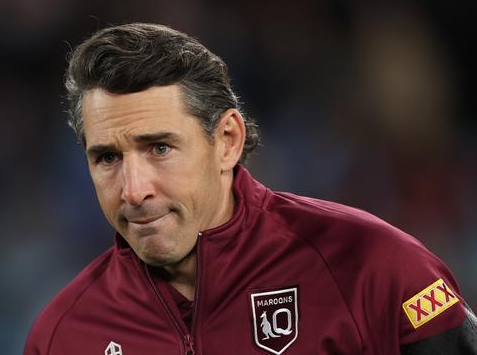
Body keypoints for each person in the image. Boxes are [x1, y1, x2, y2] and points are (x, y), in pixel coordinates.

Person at [24, 23, 477, 355]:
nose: (133, 189)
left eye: (159, 148)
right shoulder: (62, 336)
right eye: (107, 158)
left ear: (227, 142)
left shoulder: (375, 270)